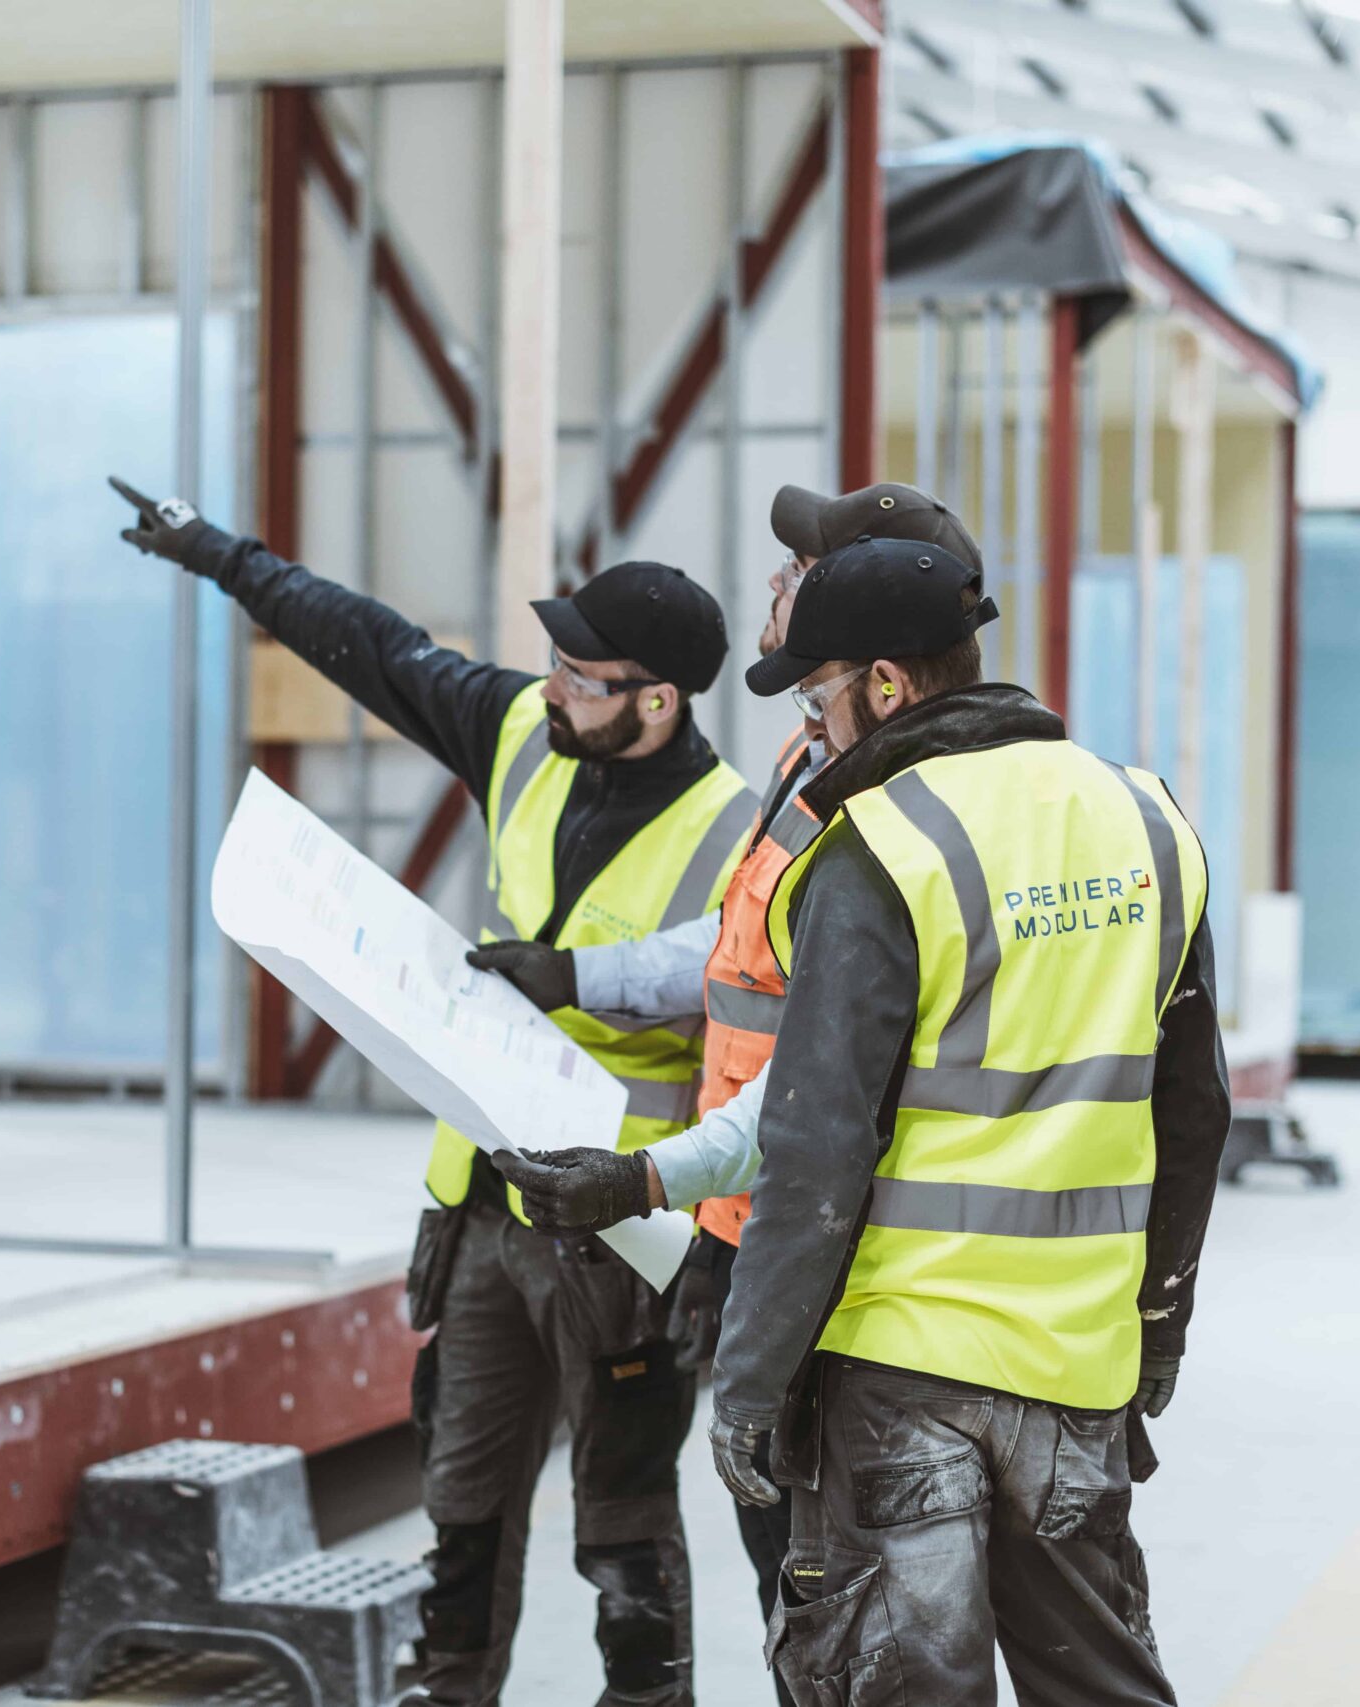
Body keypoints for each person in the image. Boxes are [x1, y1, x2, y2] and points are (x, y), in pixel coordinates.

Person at [499, 533, 1232, 1704]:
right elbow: (1193, 1111)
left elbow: (814, 1144)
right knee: (1099, 1683)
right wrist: (1158, 1322)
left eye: (819, 695)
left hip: (901, 1367)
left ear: (883, 685)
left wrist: (747, 1386)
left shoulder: (883, 844)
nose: (814, 731)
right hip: (1077, 1364)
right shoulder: (1146, 821)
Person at [109, 476, 755, 1707]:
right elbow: (372, 646)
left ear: (657, 701)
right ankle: (448, 1688)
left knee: (617, 1516)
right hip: (483, 1202)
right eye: (552, 665)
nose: (551, 689)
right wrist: (217, 554)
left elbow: (740, 1012)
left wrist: (714, 1234)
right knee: (460, 1492)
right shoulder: (523, 733)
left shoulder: (738, 833)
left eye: (582, 677)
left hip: (624, 1224)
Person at [477, 483, 984, 1693]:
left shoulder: (882, 801)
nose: (774, 592)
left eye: (797, 573)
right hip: (750, 1207)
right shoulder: (814, 759)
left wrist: (667, 1182)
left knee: (836, 1596)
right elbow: (734, 957)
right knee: (799, 1592)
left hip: (814, 1233)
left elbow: (828, 1067)